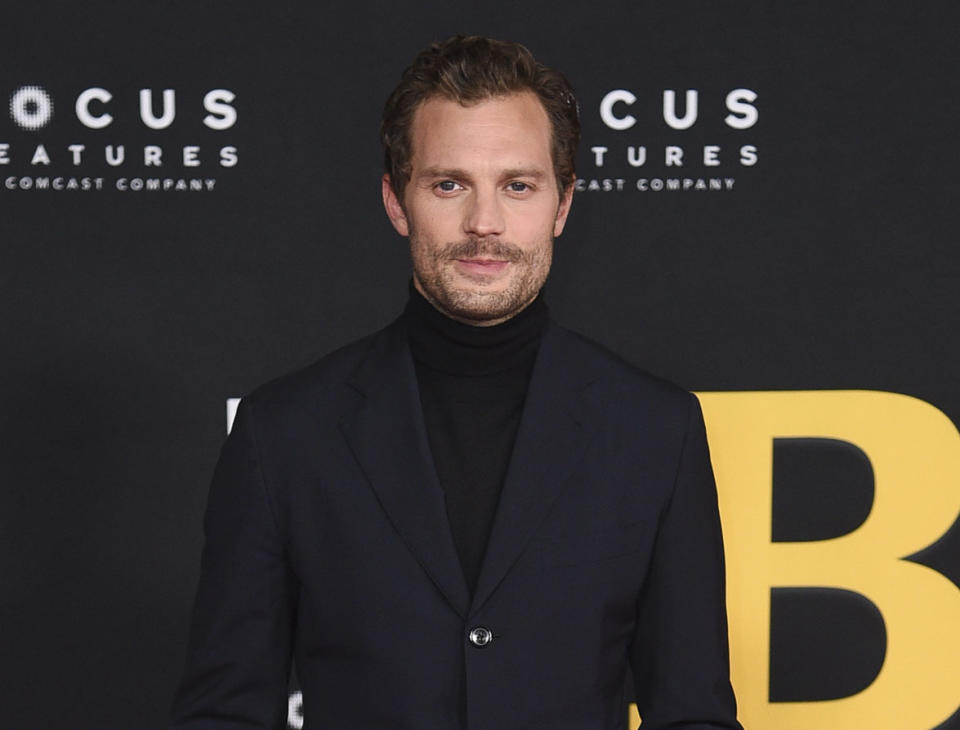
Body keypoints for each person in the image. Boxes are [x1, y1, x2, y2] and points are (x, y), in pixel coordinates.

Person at [170, 35, 741, 730]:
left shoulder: (656, 430)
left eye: (518, 185)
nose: (484, 224)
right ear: (396, 200)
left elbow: (693, 715)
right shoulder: (282, 432)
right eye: (449, 184)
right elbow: (224, 714)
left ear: (562, 207)